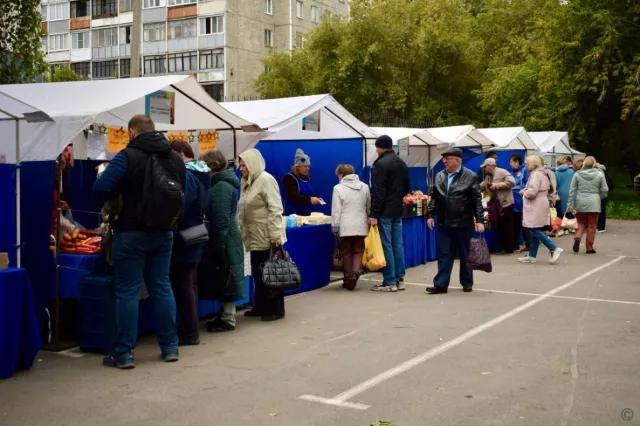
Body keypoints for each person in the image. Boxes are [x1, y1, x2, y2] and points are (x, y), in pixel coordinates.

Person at [93, 114, 185, 368]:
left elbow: (100, 188)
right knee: (162, 288)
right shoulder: (175, 158)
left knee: (127, 292)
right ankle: (170, 346)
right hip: (165, 231)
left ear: (132, 132)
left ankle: (123, 353)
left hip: (130, 232)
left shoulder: (127, 156)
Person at [168, 140, 210, 346]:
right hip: (195, 233)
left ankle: (189, 332)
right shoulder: (201, 172)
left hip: (185, 234)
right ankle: (190, 328)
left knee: (184, 285)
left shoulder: (188, 175)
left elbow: (181, 205)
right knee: (190, 284)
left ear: (180, 153)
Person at [426, 147, 484, 294]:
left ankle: (467, 282)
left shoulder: (470, 176)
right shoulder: (439, 176)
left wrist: (479, 220)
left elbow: (477, 200)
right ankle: (440, 284)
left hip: (463, 222)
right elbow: (434, 197)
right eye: (444, 158)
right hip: (444, 222)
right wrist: (430, 215)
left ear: (457, 160)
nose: (444, 161)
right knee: (444, 254)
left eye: (448, 158)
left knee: (465, 254)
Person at [199, 150, 245, 333]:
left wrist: (218, 244)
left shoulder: (220, 187)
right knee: (226, 275)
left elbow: (221, 220)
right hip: (227, 236)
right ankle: (225, 314)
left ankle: (228, 318)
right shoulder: (223, 184)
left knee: (226, 274)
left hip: (225, 238)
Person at [238, 149, 286, 321]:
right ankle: (260, 306)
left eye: (244, 165)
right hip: (254, 236)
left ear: (253, 164)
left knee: (271, 274)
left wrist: (275, 236)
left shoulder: (266, 180)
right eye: (240, 165)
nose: (241, 168)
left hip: (267, 236)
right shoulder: (246, 181)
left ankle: (275, 310)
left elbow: (275, 209)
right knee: (259, 273)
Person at [368, 135, 410, 292]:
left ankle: (389, 281)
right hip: (397, 209)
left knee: (386, 245)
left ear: (381, 147)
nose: (376, 150)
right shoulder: (402, 163)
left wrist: (373, 213)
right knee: (397, 244)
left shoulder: (380, 164)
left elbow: (378, 192)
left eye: (377, 147)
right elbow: (406, 188)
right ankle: (400, 279)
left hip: (385, 210)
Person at [331, 164, 371, 291]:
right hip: (361, 224)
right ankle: (355, 272)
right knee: (359, 250)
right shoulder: (365, 187)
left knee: (346, 252)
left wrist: (335, 227)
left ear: (341, 175)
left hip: (345, 225)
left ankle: (348, 278)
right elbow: (368, 206)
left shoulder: (338, 188)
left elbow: (336, 211)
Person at [518, 155, 563, 264]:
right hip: (541, 202)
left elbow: (532, 192)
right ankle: (532, 255)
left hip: (536, 203)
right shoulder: (543, 173)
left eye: (527, 163)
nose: (525, 165)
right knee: (534, 228)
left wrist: (523, 192)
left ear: (532, 164)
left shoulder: (536, 175)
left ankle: (553, 248)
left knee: (533, 228)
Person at [568, 156, 609, 254]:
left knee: (581, 222)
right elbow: (605, 189)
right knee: (592, 225)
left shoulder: (577, 174)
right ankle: (589, 247)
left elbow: (572, 189)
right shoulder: (599, 174)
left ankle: (577, 237)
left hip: (580, 201)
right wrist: (599, 197)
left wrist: (570, 203)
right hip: (594, 202)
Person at [480, 158, 516, 254]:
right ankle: (501, 247)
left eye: (485, 167)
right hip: (497, 205)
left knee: (507, 226)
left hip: (505, 203)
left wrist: (497, 185)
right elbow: (484, 185)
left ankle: (508, 248)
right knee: (499, 226)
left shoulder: (502, 172)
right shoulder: (488, 176)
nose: (484, 169)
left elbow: (512, 182)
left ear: (490, 166)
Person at [282, 149, 323, 216]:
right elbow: (293, 196)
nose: (307, 168)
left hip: (308, 215)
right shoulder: (289, 178)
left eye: (308, 166)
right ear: (297, 167)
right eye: (305, 166)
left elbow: (309, 193)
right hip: (294, 216)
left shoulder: (308, 178)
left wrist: (316, 199)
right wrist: (309, 199)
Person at [509, 154, 530, 252]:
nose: (510, 164)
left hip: (521, 201)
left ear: (517, 162)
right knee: (515, 223)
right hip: (513, 201)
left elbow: (527, 183)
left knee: (524, 223)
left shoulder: (524, 171)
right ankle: (515, 244)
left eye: (511, 162)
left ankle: (528, 243)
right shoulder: (511, 172)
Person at [596, 163, 614, 233]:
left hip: (600, 192)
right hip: (603, 192)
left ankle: (599, 227)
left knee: (599, 210)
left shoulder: (599, 172)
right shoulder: (604, 171)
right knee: (602, 210)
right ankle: (601, 227)